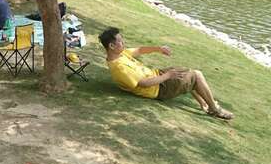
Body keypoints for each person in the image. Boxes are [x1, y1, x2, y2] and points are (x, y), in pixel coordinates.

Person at [99, 27, 234, 120]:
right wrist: (167, 76)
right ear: (111, 46)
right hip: (158, 89)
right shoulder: (119, 67)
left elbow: (139, 50)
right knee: (196, 75)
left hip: (157, 76)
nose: (124, 43)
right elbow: (143, 84)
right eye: (121, 41)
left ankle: (205, 103)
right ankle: (214, 109)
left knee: (188, 73)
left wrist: (158, 49)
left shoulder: (120, 54)